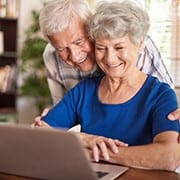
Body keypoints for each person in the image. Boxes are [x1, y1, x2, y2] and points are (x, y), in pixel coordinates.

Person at [34, 0, 180, 171]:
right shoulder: (82, 91)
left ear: (140, 46)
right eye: (101, 48)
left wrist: (96, 154)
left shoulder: (160, 93)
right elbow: (42, 136)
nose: (109, 59)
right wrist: (80, 140)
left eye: (119, 47)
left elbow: (169, 156)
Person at [39, 0, 174, 105]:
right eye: (61, 48)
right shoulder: (51, 56)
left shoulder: (135, 46)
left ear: (92, 27)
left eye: (79, 41)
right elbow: (63, 113)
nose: (74, 55)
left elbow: (168, 104)